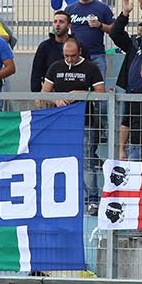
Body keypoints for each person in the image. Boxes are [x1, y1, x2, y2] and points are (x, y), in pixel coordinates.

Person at [42, 36, 106, 215]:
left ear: (80, 52)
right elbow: (44, 93)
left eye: (73, 55)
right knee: (62, 160)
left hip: (86, 122)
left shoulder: (90, 67)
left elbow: (101, 93)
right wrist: (57, 100)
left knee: (87, 162)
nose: (69, 59)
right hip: (62, 123)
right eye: (66, 56)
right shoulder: (55, 67)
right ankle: (67, 198)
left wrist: (81, 93)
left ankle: (92, 199)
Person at [65, 0, 115, 81]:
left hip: (97, 55)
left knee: (99, 88)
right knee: (77, 87)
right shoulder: (69, 9)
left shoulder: (103, 8)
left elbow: (114, 29)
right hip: (76, 56)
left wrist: (100, 25)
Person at [30, 11, 72, 92]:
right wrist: (37, 95)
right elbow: (36, 73)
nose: (57, 25)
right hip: (50, 93)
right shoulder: (44, 46)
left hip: (74, 94)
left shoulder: (78, 46)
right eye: (55, 21)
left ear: (69, 25)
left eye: (61, 22)